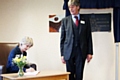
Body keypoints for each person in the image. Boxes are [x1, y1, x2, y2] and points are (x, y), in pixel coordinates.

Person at [60, 0, 93, 80]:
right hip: (68, 52)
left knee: (79, 75)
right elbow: (62, 39)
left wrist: (90, 52)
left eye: (72, 7)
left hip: (81, 51)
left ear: (78, 7)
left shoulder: (85, 20)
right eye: (69, 7)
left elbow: (88, 37)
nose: (71, 9)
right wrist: (62, 54)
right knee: (70, 75)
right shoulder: (65, 21)